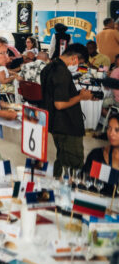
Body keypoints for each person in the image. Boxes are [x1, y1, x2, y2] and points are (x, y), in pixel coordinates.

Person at [41, 43, 93, 177]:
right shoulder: (62, 72)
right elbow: (59, 104)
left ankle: (56, 186)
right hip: (67, 125)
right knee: (73, 164)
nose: (77, 66)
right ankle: (69, 192)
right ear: (75, 59)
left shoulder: (49, 67)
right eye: (80, 63)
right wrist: (81, 96)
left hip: (55, 123)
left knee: (62, 159)